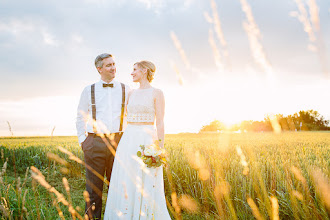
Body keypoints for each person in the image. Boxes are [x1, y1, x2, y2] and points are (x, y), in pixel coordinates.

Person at [103, 61, 171, 219]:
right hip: (128, 139)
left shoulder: (157, 93)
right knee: (127, 177)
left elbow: (160, 122)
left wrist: (159, 149)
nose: (131, 73)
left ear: (144, 70)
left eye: (134, 70)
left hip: (147, 139)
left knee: (146, 178)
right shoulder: (131, 93)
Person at [76, 53, 130, 219]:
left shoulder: (126, 89)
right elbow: (80, 116)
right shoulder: (88, 90)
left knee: (119, 187)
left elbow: (133, 113)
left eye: (114, 64)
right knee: (93, 189)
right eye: (108, 65)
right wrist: (83, 141)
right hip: (95, 142)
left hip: (119, 142)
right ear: (99, 69)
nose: (113, 68)